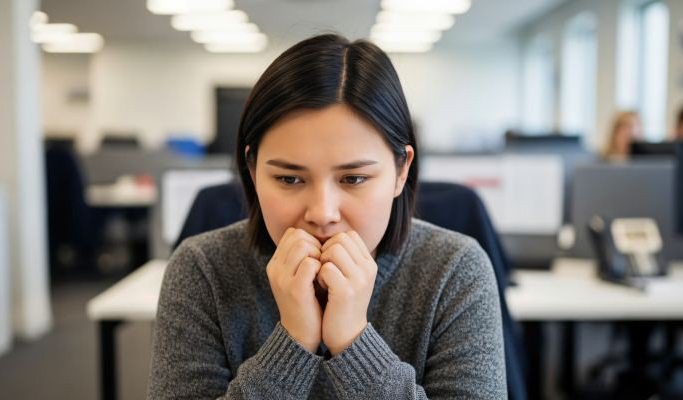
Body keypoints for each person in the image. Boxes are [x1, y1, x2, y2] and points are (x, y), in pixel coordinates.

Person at [148, 34, 507, 399]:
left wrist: (354, 343)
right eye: (289, 179)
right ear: (252, 171)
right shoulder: (202, 270)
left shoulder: (455, 270)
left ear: (402, 171)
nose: (322, 214)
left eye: (354, 179)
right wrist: (291, 344)